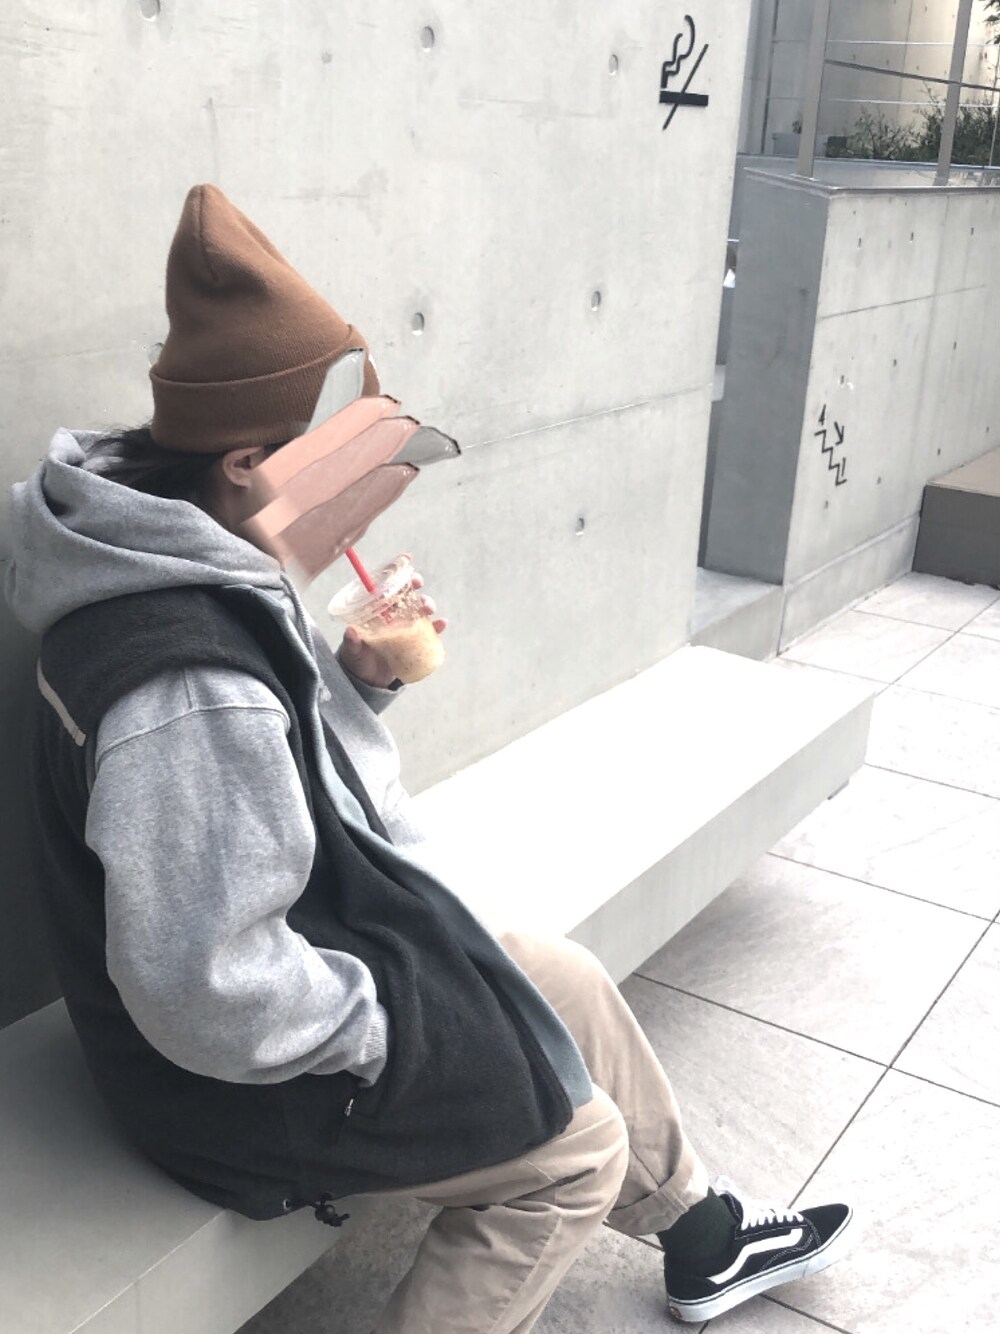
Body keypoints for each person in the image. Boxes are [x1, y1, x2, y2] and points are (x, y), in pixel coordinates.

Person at [5, 184, 851, 1331]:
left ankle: (703, 1236)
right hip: (225, 1086)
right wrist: (395, 1026)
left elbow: (273, 799)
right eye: (331, 457)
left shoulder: (167, 550)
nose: (355, 491)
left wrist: (359, 683)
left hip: (292, 964)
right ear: (247, 459)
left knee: (554, 975)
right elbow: (205, 995)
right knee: (573, 1159)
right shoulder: (186, 675)